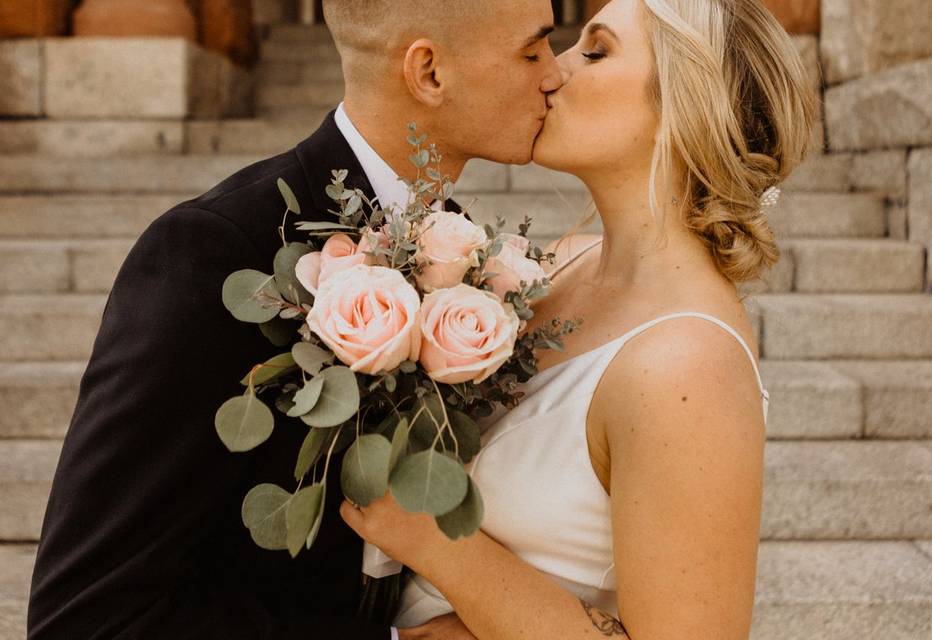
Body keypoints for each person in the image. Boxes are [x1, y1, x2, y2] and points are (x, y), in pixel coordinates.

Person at [26, 1, 561, 638]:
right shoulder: (216, 253)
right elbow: (85, 618)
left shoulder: (468, 255)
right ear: (429, 74)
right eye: (532, 52)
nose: (555, 75)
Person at [339, 0, 818, 638]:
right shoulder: (551, 268)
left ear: (685, 103)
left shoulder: (690, 366)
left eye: (594, 52)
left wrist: (434, 540)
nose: (550, 71)